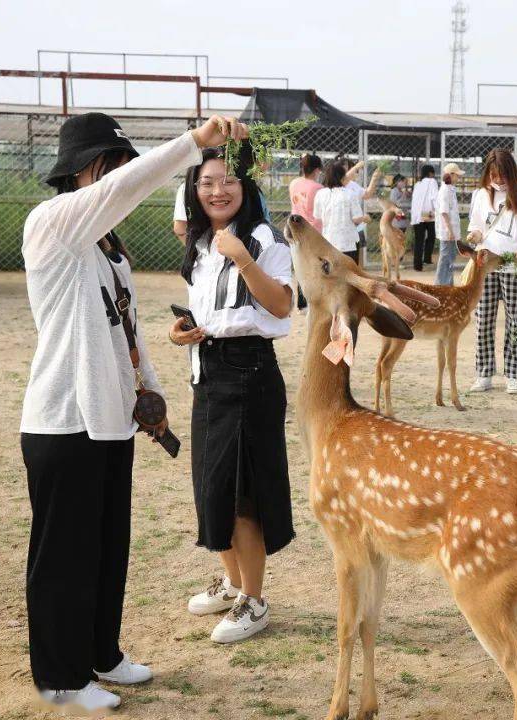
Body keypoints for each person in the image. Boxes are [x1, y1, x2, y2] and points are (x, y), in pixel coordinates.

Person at [21, 112, 244, 713]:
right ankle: (61, 679)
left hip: (110, 418)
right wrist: (195, 144)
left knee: (105, 544)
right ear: (82, 172)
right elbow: (127, 188)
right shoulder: (52, 223)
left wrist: (148, 390)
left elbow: (126, 326)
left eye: (122, 162)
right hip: (62, 420)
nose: (120, 175)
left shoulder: (108, 247)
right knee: (63, 555)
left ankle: (101, 653)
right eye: (110, 165)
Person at [168, 146, 295, 645]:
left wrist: (243, 259)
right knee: (213, 485)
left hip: (250, 372)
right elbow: (210, 312)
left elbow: (282, 307)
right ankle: (232, 583)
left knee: (244, 494)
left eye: (228, 181)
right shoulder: (200, 242)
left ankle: (254, 600)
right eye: (206, 182)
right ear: (194, 192)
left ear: (246, 189)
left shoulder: (261, 238)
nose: (217, 190)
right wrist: (182, 333)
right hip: (208, 371)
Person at [467, 148, 517, 395]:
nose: (498, 180)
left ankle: (513, 374)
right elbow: (477, 228)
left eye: (502, 175)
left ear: (511, 172)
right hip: (485, 264)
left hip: (515, 265)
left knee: (515, 321)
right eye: (493, 175)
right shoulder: (480, 195)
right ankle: (484, 373)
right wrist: (473, 236)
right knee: (483, 320)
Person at [175, 156, 271, 243]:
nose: (218, 192)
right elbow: (180, 228)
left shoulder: (264, 238)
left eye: (228, 182)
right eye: (207, 184)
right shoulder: (187, 189)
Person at [314, 161, 369, 263]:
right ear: (343, 178)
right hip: (348, 243)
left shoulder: (320, 194)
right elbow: (356, 219)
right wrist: (365, 218)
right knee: (350, 273)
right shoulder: (350, 194)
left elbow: (317, 216)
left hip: (328, 241)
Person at [289, 153, 324, 311]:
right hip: (312, 231)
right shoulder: (318, 188)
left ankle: (302, 303)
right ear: (317, 170)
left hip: (295, 229)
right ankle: (313, 300)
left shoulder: (294, 183)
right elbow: (318, 214)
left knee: (299, 266)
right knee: (314, 268)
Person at [338, 158, 382, 265]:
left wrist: (374, 179)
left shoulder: (353, 185)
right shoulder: (337, 184)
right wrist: (357, 166)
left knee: (356, 256)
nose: (355, 172)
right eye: (351, 168)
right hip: (343, 226)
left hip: (356, 225)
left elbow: (367, 194)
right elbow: (344, 179)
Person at [435, 162, 464, 285]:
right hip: (448, 231)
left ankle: (447, 283)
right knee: (446, 257)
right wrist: (450, 230)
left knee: (449, 257)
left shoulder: (449, 189)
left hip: (450, 230)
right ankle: (441, 284)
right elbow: (444, 212)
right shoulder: (445, 190)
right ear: (451, 175)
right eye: (457, 175)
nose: (459, 177)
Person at [410, 164, 439, 271]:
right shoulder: (432, 182)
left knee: (419, 240)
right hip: (429, 214)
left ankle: (417, 265)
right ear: (431, 173)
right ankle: (427, 259)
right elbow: (435, 197)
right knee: (431, 236)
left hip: (417, 216)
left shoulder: (417, 184)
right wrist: (438, 211)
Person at [389, 173, 412, 239]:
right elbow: (395, 203)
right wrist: (404, 195)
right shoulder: (394, 191)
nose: (405, 184)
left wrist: (407, 195)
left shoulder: (401, 191)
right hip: (397, 217)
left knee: (402, 235)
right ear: (397, 182)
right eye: (403, 182)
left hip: (403, 216)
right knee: (398, 236)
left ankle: (400, 248)